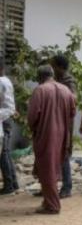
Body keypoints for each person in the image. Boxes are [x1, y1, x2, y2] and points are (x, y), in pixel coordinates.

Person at [28, 65, 76, 214]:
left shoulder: (40, 90)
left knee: (47, 169)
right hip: (62, 135)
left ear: (40, 77)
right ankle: (47, 201)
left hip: (46, 134)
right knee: (54, 167)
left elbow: (32, 117)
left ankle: (53, 205)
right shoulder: (66, 90)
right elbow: (72, 112)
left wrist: (35, 128)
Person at [51, 54, 77, 199]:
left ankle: (67, 187)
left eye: (54, 66)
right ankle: (51, 185)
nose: (52, 68)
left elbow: (73, 99)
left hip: (65, 123)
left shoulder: (68, 81)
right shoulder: (57, 80)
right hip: (54, 121)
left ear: (60, 67)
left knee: (64, 153)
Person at [0, 56, 19, 195]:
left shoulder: (1, 82)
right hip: (7, 118)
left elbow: (6, 105)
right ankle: (13, 182)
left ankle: (9, 185)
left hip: (4, 119)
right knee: (5, 153)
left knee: (4, 153)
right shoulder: (6, 81)